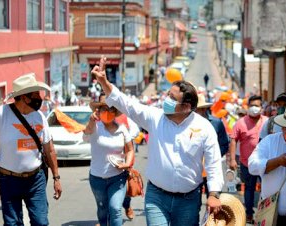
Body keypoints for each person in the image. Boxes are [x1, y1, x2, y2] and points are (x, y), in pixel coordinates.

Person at [91, 56, 224, 226]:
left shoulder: (204, 128)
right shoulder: (155, 118)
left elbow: (213, 164)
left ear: (187, 107)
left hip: (188, 201)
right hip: (156, 197)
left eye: (173, 98)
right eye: (168, 95)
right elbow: (128, 105)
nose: (167, 100)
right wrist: (104, 83)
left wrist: (213, 195)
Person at [0, 73, 62, 225]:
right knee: (12, 224)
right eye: (36, 94)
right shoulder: (1, 114)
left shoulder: (40, 117)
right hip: (9, 180)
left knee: (41, 222)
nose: (40, 97)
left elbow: (49, 149)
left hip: (36, 179)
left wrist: (56, 178)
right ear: (24, 97)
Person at [83, 96, 135, 226]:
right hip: (97, 178)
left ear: (115, 112)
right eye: (104, 109)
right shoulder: (94, 127)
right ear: (98, 111)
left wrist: (127, 163)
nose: (107, 112)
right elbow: (86, 134)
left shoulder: (122, 129)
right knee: (103, 209)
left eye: (111, 109)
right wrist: (91, 121)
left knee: (115, 209)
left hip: (117, 177)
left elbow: (130, 150)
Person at [228, 95, 268, 223]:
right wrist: (232, 159)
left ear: (262, 108)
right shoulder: (241, 123)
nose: (255, 108)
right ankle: (249, 213)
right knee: (249, 188)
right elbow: (233, 140)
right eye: (252, 106)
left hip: (266, 163)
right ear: (248, 107)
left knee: (267, 189)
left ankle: (265, 214)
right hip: (247, 163)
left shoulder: (268, 122)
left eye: (257, 105)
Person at [195, 93, 229, 197]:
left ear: (203, 109)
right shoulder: (189, 123)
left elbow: (224, 143)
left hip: (211, 168)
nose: (193, 112)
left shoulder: (216, 122)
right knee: (194, 198)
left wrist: (214, 156)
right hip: (195, 168)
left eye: (196, 110)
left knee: (213, 197)